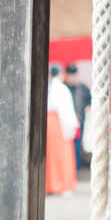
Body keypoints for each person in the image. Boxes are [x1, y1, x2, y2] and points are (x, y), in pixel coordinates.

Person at [45, 64, 79, 195]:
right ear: (60, 74)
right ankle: (63, 185)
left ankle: (50, 185)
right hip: (58, 123)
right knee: (63, 155)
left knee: (49, 156)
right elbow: (66, 109)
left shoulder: (48, 87)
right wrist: (71, 125)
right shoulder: (61, 88)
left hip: (49, 122)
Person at [64, 63, 92, 171]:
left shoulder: (82, 88)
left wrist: (88, 106)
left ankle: (75, 170)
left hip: (79, 123)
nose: (73, 78)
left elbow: (90, 100)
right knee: (66, 147)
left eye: (74, 75)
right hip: (65, 123)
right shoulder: (63, 88)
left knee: (77, 147)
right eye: (70, 75)